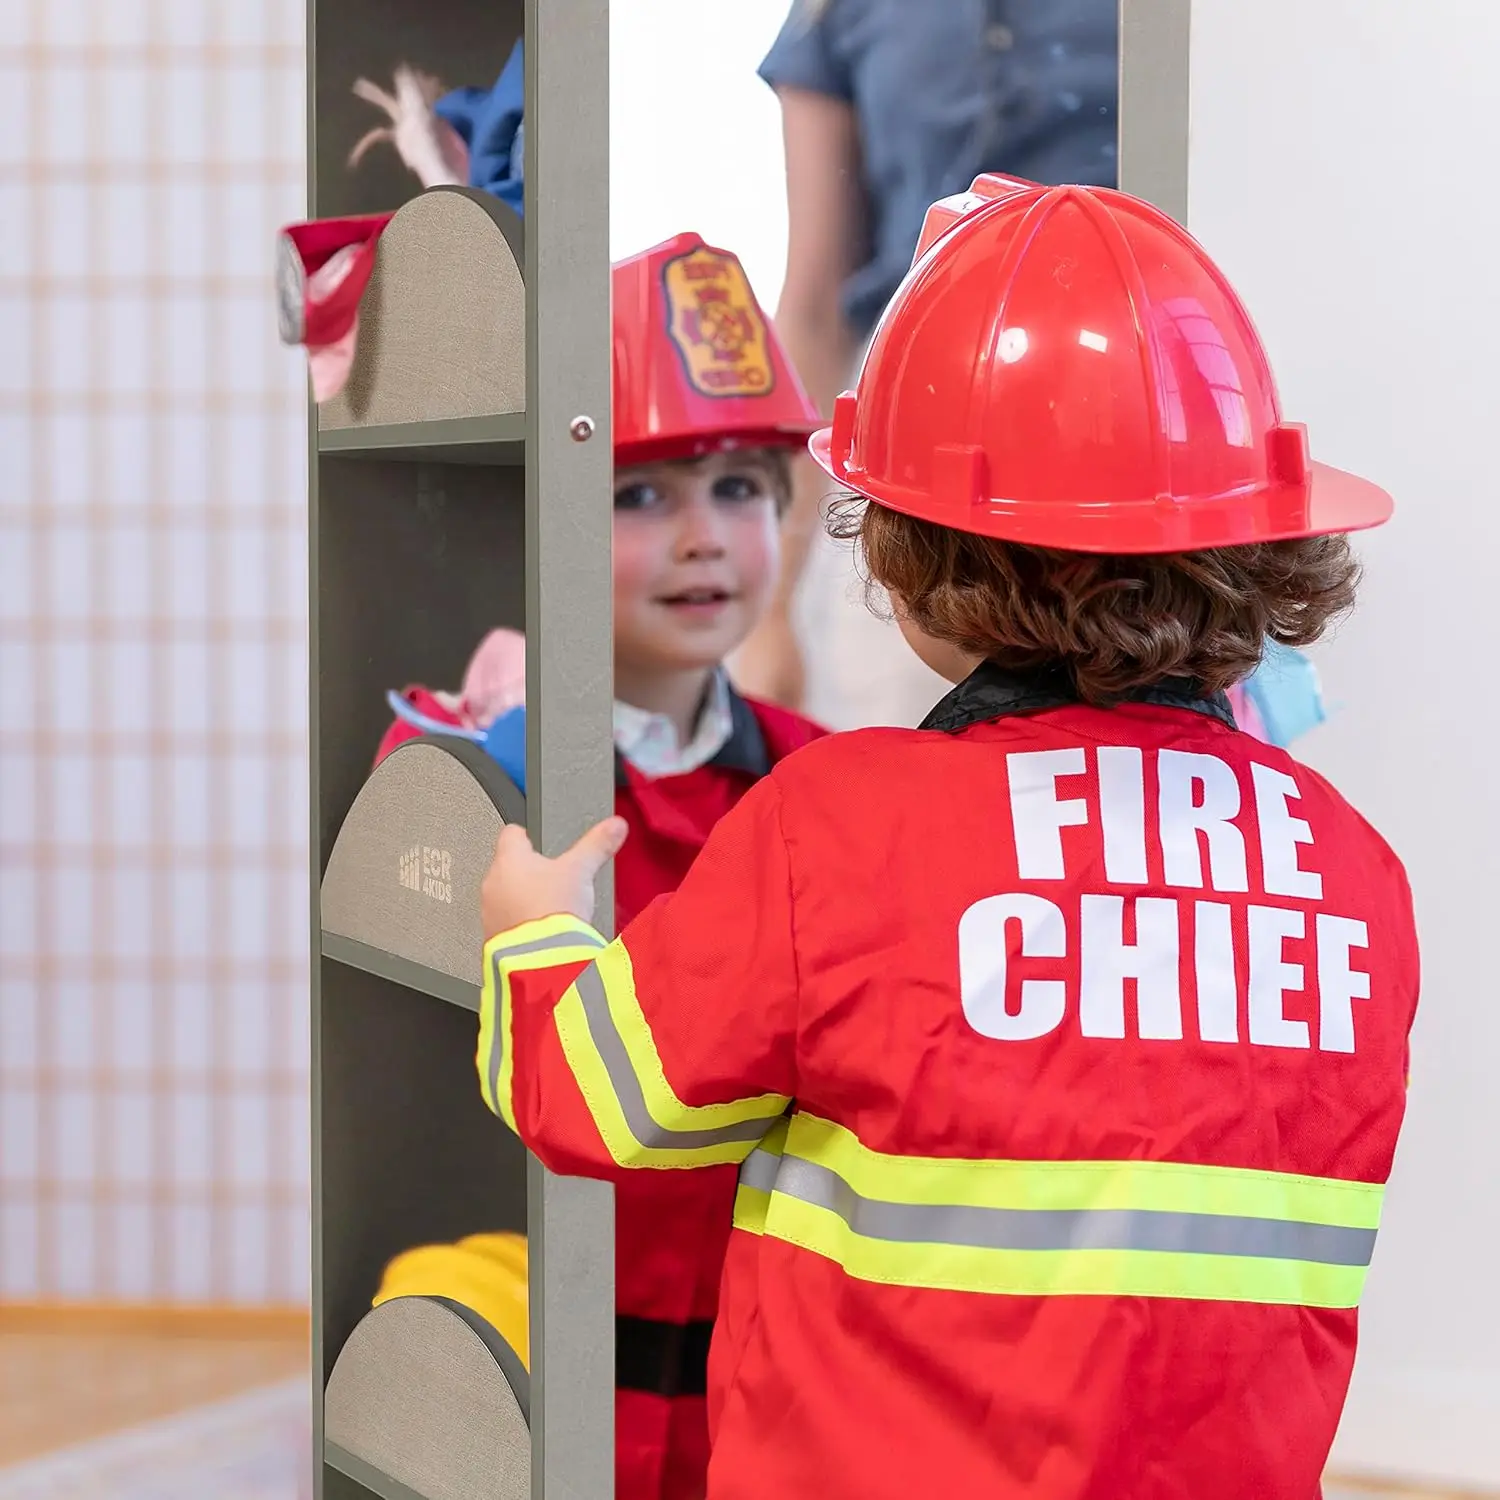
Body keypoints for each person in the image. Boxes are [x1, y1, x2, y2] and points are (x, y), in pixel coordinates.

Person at [473, 176, 1418, 1498]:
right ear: (1256, 537)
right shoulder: (1355, 876)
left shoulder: (839, 823)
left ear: (917, 560)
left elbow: (597, 1104)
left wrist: (530, 940)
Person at [374, 231, 827, 1500]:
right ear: (557, 518)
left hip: (758, 1354)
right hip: (555, 1333)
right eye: (642, 495)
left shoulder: (822, 779)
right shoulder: (480, 759)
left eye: (741, 486)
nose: (703, 539)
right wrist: (490, 743)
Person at [732, 0, 1119, 730]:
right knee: (907, 778)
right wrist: (770, 607)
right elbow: (814, 304)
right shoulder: (840, 14)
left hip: (1131, 448)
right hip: (916, 448)